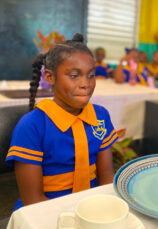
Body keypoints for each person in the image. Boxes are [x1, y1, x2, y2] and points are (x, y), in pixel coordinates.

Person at [6, 34, 118, 210]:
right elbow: (32, 200)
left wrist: (105, 209)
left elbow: (106, 177)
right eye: (74, 75)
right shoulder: (31, 126)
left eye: (91, 75)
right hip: (45, 212)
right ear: (50, 77)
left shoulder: (100, 116)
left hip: (92, 207)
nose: (85, 84)